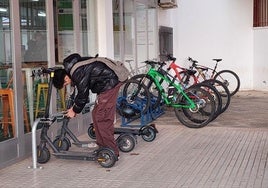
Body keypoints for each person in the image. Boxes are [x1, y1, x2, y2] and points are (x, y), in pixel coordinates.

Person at [52, 53, 127, 159]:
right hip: (108, 83)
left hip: (111, 83)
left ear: (65, 78)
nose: (67, 85)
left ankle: (111, 151)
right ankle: (103, 146)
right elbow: (80, 92)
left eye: (65, 84)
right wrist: (74, 108)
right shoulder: (76, 68)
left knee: (102, 118)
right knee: (96, 114)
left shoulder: (77, 72)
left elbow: (83, 94)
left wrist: (75, 111)